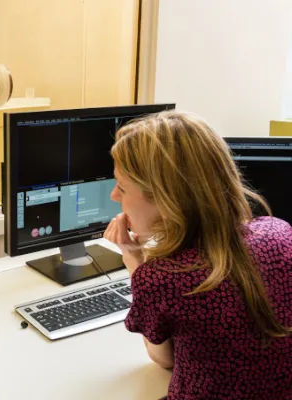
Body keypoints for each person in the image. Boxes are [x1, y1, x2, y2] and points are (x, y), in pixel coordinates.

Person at [103, 110, 292, 399]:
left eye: (122, 187)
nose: (114, 197)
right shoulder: (281, 233)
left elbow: (164, 359)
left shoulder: (162, 279)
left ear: (166, 200)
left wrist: (135, 263)